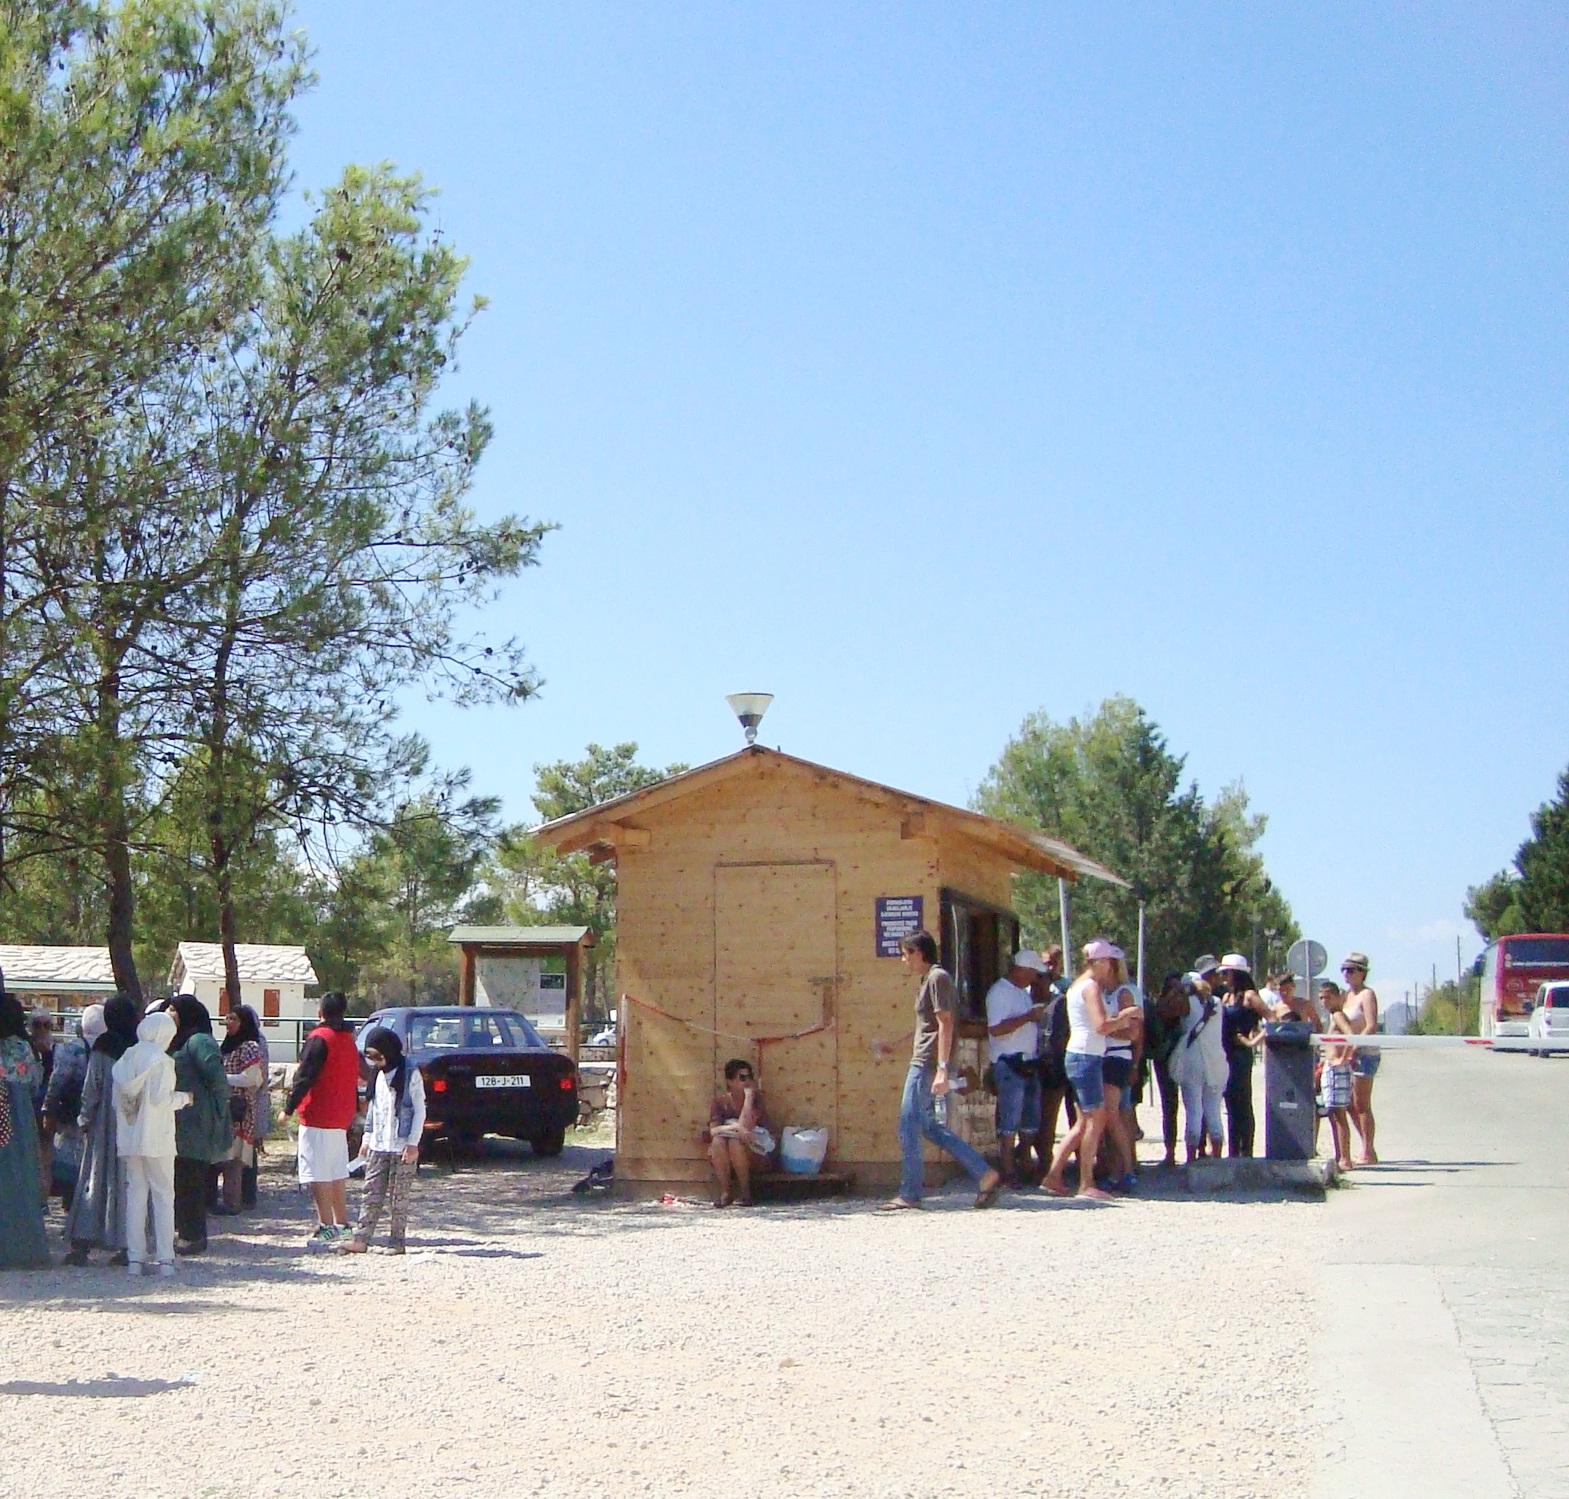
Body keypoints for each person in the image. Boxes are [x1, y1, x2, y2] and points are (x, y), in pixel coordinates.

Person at [883, 931, 1002, 1211]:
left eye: (905, 953)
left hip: (925, 1063)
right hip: (924, 1059)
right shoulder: (929, 980)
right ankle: (984, 1174)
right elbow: (927, 1027)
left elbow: (946, 1024)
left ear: (918, 952)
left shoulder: (937, 978)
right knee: (929, 1127)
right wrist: (896, 1045)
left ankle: (910, 1193)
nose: (904, 960)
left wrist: (942, 1069)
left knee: (908, 1126)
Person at [1042, 940, 1141, 1201]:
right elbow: (1100, 1026)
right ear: (1098, 962)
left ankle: (1054, 1175)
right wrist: (1124, 1017)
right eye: (1108, 962)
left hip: (1081, 1055)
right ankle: (1086, 1183)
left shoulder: (1077, 986)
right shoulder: (1091, 987)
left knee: (1085, 1121)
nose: (1111, 968)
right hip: (1086, 1056)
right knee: (1095, 1120)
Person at [63, 992, 139, 1266]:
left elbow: (91, 1088)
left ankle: (83, 1242)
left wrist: (84, 1119)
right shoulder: (139, 1047)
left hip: (104, 1125)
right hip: (133, 1126)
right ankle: (128, 1245)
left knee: (95, 1180)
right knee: (127, 1183)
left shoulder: (103, 1047)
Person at [283, 990, 360, 1245]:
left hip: (318, 1114)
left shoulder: (318, 1039)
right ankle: (343, 1224)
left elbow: (305, 1076)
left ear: (320, 1013)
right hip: (341, 1115)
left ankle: (326, 1226)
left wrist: (288, 1108)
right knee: (337, 1170)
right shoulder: (349, 1039)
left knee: (318, 1173)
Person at [341, 1025, 425, 1254]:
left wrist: (412, 1143)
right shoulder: (376, 1075)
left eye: (377, 1056)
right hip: (379, 1144)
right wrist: (367, 1138)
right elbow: (374, 1109)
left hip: (401, 1145)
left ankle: (397, 1241)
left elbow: (418, 1110)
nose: (374, 1061)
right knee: (370, 1192)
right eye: (369, 1056)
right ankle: (361, 1239)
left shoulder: (410, 1073)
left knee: (399, 1197)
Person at [112, 1009, 184, 1277]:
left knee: (136, 1195)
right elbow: (161, 1100)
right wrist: (185, 1099)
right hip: (158, 1137)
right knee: (164, 1195)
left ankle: (135, 1259)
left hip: (130, 1136)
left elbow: (117, 1100)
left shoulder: (124, 1060)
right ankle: (165, 1259)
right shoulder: (162, 1062)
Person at [169, 995, 232, 1255]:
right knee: (181, 1179)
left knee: (191, 1179)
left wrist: (218, 1117)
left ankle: (193, 1236)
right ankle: (184, 1231)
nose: (169, 1013)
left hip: (196, 1121)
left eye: (173, 1009)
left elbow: (218, 1082)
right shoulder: (178, 1041)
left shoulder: (199, 1042)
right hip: (179, 1120)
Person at [984, 950, 1049, 1186]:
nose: (1034, 978)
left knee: (1030, 1117)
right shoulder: (1000, 993)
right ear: (1022, 970)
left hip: (1027, 1061)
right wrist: (1028, 1017)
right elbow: (996, 1029)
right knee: (1010, 1119)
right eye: (1032, 973)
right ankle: (1009, 1167)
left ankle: (1023, 1161)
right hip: (1009, 1062)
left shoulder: (1021, 993)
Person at [0, 992, 51, 1268]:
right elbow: (34, 1083)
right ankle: (22, 1247)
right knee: (20, 1179)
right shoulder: (23, 1048)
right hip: (18, 1120)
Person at [1169, 974, 1226, 1163]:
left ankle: (1191, 1158)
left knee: (1194, 1111)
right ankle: (1217, 1157)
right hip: (1216, 1060)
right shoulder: (1217, 1002)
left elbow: (1168, 1009)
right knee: (1214, 1110)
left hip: (1193, 1059)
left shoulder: (1187, 1002)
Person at [43, 1006, 96, 1211]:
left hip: (71, 1111)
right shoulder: (111, 1047)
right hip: (97, 1113)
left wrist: (48, 1107)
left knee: (68, 1156)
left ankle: (70, 1201)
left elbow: (58, 1080)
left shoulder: (73, 1048)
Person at [702, 1057, 774, 1207]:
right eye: (742, 1078)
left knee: (736, 1142)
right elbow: (714, 1130)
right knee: (718, 1142)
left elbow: (745, 1126)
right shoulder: (720, 1102)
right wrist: (733, 1127)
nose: (747, 1081)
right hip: (729, 1152)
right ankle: (726, 1192)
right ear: (730, 1081)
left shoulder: (755, 1100)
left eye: (749, 1077)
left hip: (757, 1153)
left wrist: (748, 1098)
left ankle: (746, 1193)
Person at [215, 1005, 266, 1214]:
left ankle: (233, 1202)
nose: (229, 1023)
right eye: (227, 1019)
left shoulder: (249, 1047)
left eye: (234, 1019)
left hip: (240, 1109)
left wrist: (221, 1079)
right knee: (226, 1156)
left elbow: (253, 1078)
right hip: (226, 1108)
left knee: (235, 1158)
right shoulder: (228, 1046)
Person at [1030, 947, 1074, 1177]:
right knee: (1040, 1120)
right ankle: (1043, 1164)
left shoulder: (1061, 1001)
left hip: (1056, 1066)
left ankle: (1048, 1166)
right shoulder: (1027, 1002)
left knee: (1050, 1119)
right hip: (1037, 1065)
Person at [1098, 957, 1142, 1189]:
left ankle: (1125, 1170)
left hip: (1117, 1056)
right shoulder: (1104, 993)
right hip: (1106, 1057)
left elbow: (1133, 1034)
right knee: (1113, 1118)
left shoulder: (1124, 994)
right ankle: (1119, 1170)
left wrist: (1104, 1031)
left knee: (1113, 1117)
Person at [1218, 955, 1267, 1158]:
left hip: (1240, 1054)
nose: (1223, 977)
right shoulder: (1226, 997)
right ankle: (1233, 1151)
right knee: (1229, 1103)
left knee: (1243, 1103)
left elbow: (1272, 1019)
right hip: (1225, 1053)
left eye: (1226, 972)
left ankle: (1246, 1150)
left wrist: (1252, 1042)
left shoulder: (1250, 996)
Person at [1144, 974, 1188, 1168]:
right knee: (1170, 1105)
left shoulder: (1184, 1002)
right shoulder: (1160, 1005)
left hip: (1176, 1055)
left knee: (1182, 1105)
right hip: (1166, 1056)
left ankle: (1182, 1151)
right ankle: (1170, 1152)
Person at [1341, 952, 1380, 1165]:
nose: (1347, 973)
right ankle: (1367, 1145)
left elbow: (1371, 1025)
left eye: (1351, 970)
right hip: (1347, 1053)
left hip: (1364, 1053)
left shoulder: (1367, 994)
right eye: (1344, 969)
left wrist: (1356, 1046)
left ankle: (1367, 1151)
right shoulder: (1346, 995)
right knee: (1347, 1103)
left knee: (1362, 1103)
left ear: (1362, 973)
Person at [1316, 981, 1355, 1171]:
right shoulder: (1332, 1017)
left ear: (1338, 997)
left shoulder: (1338, 1015)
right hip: (1330, 1067)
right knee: (1332, 1113)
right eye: (1321, 997)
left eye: (1328, 996)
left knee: (1339, 1113)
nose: (1324, 1001)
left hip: (1337, 1069)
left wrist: (1343, 1058)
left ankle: (1345, 1158)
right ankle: (1340, 1155)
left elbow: (1352, 1037)